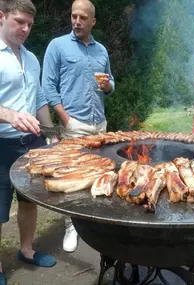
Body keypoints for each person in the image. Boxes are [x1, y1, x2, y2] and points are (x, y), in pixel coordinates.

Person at [42, 0, 115, 253]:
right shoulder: (58, 46)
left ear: (93, 21)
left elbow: (110, 81)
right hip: (74, 124)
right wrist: (66, 120)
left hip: (100, 123)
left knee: (98, 172)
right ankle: (71, 226)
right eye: (74, 16)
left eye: (83, 17)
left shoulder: (101, 50)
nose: (77, 21)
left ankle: (94, 222)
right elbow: (48, 87)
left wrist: (108, 86)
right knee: (71, 176)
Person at [0, 0, 57, 284]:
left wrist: (51, 135)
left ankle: (26, 250)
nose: (25, 29)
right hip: (1, 144)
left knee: (29, 201)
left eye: (29, 25)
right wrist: (8, 114)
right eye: (19, 22)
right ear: (1, 16)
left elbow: (40, 102)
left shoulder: (32, 59)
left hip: (31, 143)